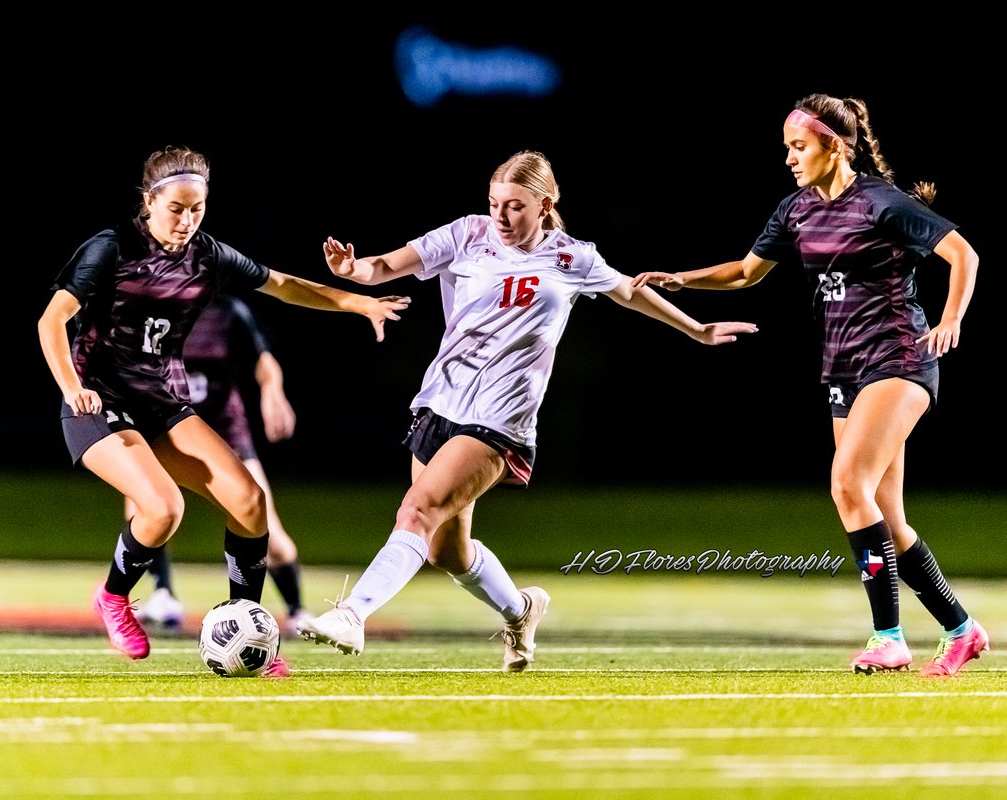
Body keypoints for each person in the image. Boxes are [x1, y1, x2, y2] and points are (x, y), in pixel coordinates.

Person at [296, 149, 758, 672]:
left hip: (501, 419)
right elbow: (381, 268)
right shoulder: (466, 234)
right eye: (494, 203)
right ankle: (522, 610)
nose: (500, 215)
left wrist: (697, 331)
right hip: (442, 401)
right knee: (447, 550)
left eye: (514, 206)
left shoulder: (573, 258)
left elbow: (630, 292)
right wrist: (349, 268)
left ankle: (352, 615)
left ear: (546, 204)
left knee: (416, 511)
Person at [631, 94, 986, 678]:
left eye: (799, 147)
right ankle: (961, 629)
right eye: (787, 148)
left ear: (835, 145)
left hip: (899, 361)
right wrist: (682, 279)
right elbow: (746, 272)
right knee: (887, 520)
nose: (790, 159)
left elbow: (962, 254)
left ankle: (888, 637)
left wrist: (951, 320)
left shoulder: (881, 202)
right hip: (844, 370)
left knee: (847, 485)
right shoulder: (795, 210)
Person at [37, 145, 410, 669]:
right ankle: (114, 597)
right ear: (149, 201)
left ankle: (246, 631)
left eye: (197, 209)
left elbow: (281, 285)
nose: (187, 220)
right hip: (98, 401)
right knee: (164, 508)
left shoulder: (207, 255)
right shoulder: (111, 247)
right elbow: (51, 321)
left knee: (250, 502)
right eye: (176, 209)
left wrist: (357, 301)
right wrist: (72, 385)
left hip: (161, 402)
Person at [125, 293, 313, 638]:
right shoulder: (146, 308)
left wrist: (273, 390)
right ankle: (163, 593)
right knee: (145, 503)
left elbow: (263, 359)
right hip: (169, 429)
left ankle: (297, 610)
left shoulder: (227, 311)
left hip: (226, 433)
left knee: (270, 534)